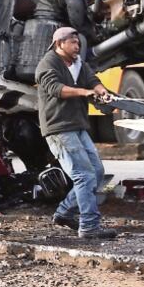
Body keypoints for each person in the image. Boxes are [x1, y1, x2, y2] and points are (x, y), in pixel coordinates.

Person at [35, 26, 116, 239]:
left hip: (78, 125)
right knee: (84, 175)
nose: (77, 46)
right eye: (73, 42)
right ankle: (89, 226)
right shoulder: (47, 64)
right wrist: (84, 92)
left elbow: (92, 81)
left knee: (96, 172)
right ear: (59, 44)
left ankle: (64, 212)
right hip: (59, 128)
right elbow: (56, 89)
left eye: (78, 43)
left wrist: (101, 91)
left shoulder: (79, 63)